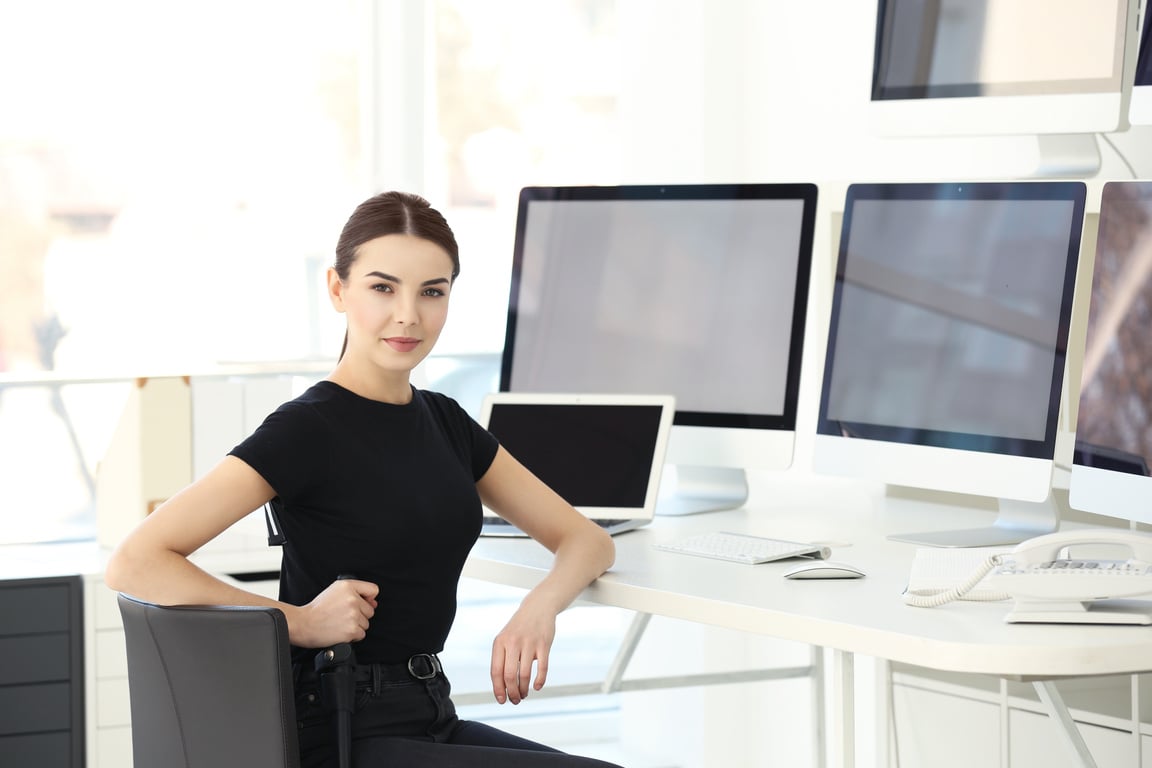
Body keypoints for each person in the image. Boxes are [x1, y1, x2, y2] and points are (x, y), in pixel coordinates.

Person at [105, 191, 624, 768]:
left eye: (432, 291)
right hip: (338, 729)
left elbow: (587, 540)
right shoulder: (307, 429)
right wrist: (296, 622)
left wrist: (539, 608)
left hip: (431, 712)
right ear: (337, 289)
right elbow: (136, 560)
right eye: (383, 288)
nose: (408, 314)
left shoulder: (446, 420)